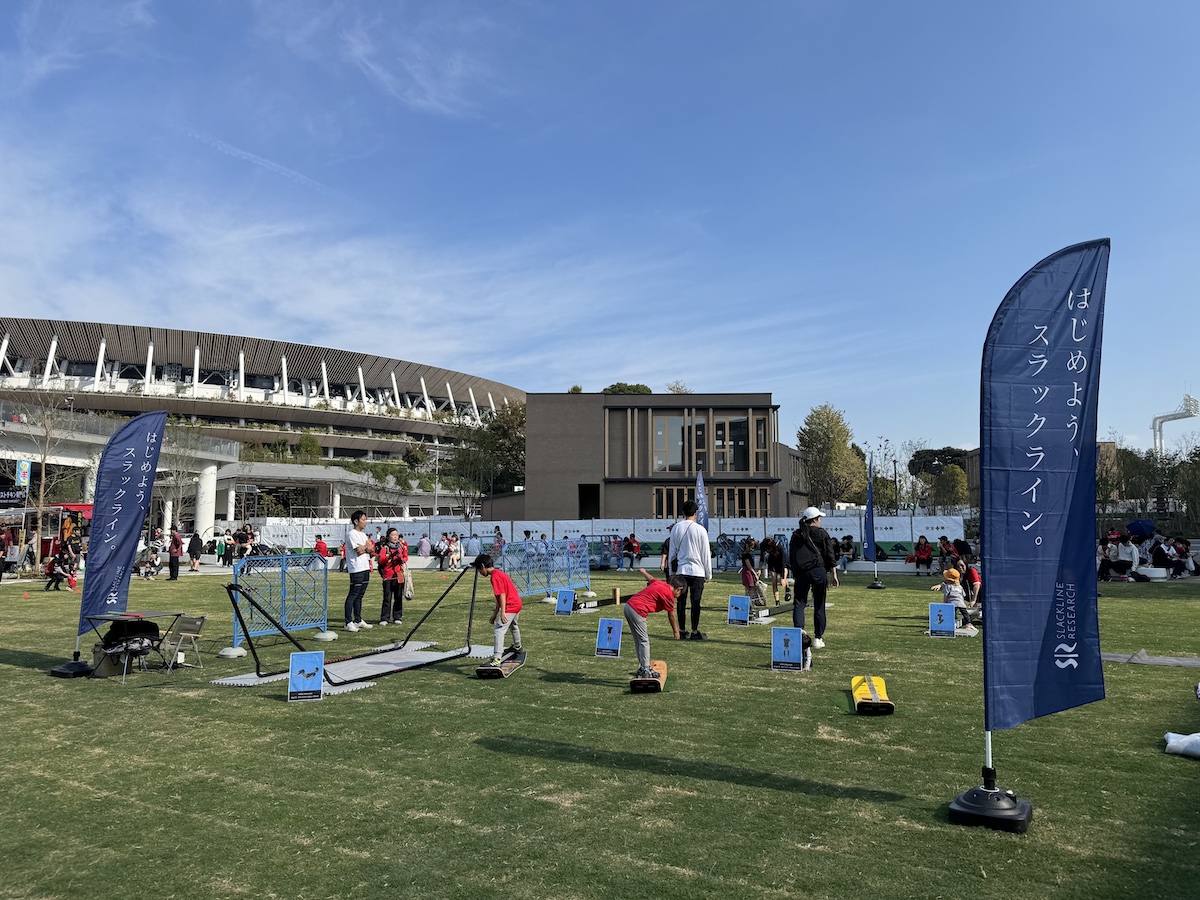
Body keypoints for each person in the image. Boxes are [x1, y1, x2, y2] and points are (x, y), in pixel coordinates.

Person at [789, 506, 838, 649]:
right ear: (815, 520)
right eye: (819, 518)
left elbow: (792, 555)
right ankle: (818, 638)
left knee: (799, 603)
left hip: (802, 573)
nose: (820, 521)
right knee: (819, 604)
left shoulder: (796, 535)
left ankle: (799, 632)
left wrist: (794, 573)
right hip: (818, 571)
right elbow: (830, 555)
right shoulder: (822, 534)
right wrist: (834, 574)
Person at [624, 568, 684, 679]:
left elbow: (650, 578)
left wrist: (643, 571)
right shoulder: (669, 595)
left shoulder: (660, 584)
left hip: (628, 607)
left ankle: (643, 667)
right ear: (678, 589)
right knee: (644, 640)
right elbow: (671, 614)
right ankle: (646, 669)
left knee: (638, 640)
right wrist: (676, 631)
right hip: (637, 610)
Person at [669, 499, 713, 640]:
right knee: (696, 602)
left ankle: (681, 629)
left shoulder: (676, 527)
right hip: (698, 571)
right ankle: (695, 630)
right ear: (696, 513)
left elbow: (672, 552)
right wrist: (708, 573)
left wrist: (671, 571)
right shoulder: (700, 530)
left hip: (682, 570)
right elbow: (706, 553)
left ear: (683, 513)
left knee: (681, 602)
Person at [474, 554, 523, 667]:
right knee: (513, 625)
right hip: (517, 603)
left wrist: (503, 612)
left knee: (498, 630)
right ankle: (518, 647)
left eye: (479, 570)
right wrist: (495, 613)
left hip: (510, 605)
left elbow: (502, 594)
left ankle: (496, 659)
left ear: (482, 566)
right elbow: (499, 597)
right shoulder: (499, 573)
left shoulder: (495, 577)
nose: (480, 573)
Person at [343, 511, 375, 632]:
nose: (365, 522)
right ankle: (348, 622)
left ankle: (358, 619)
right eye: (363, 520)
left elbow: (370, 548)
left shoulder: (363, 535)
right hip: (356, 568)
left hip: (365, 567)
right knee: (353, 594)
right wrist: (366, 547)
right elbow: (359, 550)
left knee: (360, 595)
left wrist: (366, 547)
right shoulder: (352, 534)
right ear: (356, 521)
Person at [377, 527, 408, 625]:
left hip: (399, 574)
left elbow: (405, 557)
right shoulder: (384, 548)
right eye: (393, 535)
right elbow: (381, 560)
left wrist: (401, 559)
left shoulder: (401, 547)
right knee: (387, 597)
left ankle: (397, 616)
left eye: (396, 535)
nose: (395, 537)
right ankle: (384, 618)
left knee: (398, 596)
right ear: (388, 537)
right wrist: (389, 558)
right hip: (388, 575)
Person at [761, 537, 789, 604]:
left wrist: (783, 577)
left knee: (782, 579)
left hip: (781, 564)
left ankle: (787, 590)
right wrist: (759, 568)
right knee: (774, 582)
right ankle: (777, 601)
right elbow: (762, 558)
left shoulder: (779, 547)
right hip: (772, 564)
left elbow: (783, 563)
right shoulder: (764, 546)